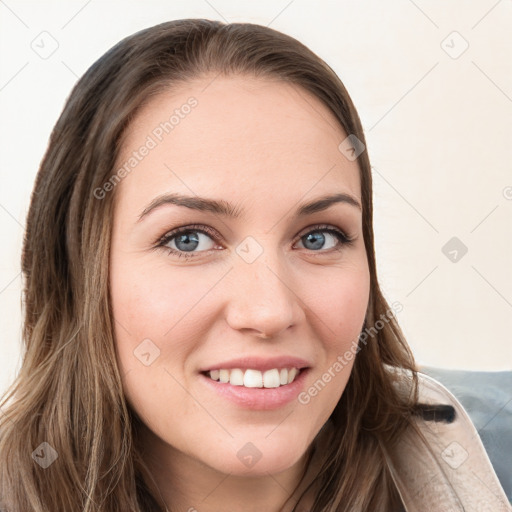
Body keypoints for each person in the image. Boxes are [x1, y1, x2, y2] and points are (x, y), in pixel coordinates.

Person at [0, 18, 509, 512]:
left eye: (318, 236)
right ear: (74, 271)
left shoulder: (494, 452)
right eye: (190, 239)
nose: (269, 311)